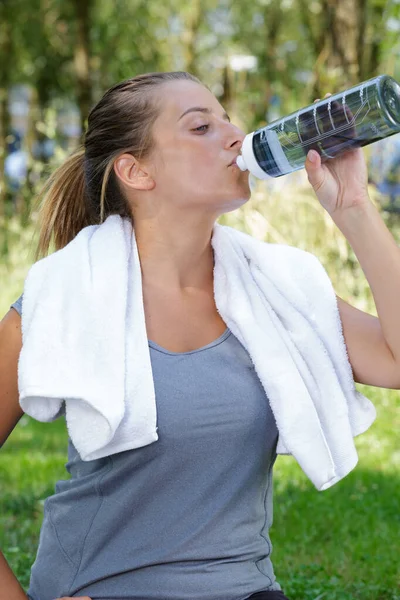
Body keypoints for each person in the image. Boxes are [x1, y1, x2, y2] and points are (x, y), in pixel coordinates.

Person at [1, 71, 400, 600]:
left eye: (226, 118)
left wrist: (354, 208)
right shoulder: (65, 297)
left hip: (245, 588)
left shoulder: (273, 289)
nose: (235, 135)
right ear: (136, 171)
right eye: (201, 127)